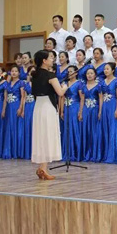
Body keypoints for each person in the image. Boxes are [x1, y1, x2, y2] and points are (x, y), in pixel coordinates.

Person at [31, 50, 68, 180]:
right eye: (51, 58)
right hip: (48, 107)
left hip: (38, 106)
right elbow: (60, 93)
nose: (53, 60)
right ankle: (43, 168)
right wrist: (65, 87)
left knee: (41, 136)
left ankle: (42, 167)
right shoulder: (51, 75)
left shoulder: (34, 75)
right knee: (47, 136)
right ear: (44, 61)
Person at [59, 65, 84, 162]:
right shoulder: (65, 83)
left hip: (75, 107)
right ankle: (67, 153)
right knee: (67, 130)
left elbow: (82, 98)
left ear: (76, 73)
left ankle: (76, 153)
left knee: (74, 129)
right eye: (68, 71)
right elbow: (62, 97)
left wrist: (80, 111)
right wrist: (61, 110)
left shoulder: (79, 83)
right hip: (66, 107)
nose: (69, 73)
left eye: (71, 71)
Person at [80, 66, 103, 162]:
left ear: (95, 75)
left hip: (94, 110)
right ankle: (85, 154)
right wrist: (80, 112)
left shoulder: (99, 86)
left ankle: (95, 153)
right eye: (87, 73)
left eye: (91, 73)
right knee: (86, 130)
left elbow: (101, 99)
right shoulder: (83, 86)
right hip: (86, 110)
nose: (89, 75)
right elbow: (82, 100)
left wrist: (100, 111)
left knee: (94, 131)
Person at [100, 63, 117, 164]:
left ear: (113, 70)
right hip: (105, 106)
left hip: (113, 105)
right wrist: (100, 110)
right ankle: (105, 153)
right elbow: (101, 97)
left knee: (113, 128)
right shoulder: (102, 82)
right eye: (104, 69)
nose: (105, 71)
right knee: (105, 128)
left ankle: (113, 154)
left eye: (107, 69)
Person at [2, 65, 23, 159]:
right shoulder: (7, 84)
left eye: (16, 71)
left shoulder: (21, 83)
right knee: (9, 127)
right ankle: (8, 151)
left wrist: (20, 108)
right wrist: (3, 109)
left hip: (16, 106)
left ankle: (16, 151)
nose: (14, 73)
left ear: (19, 73)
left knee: (16, 128)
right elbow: (5, 98)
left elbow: (23, 96)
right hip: (9, 107)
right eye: (12, 71)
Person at [21, 66, 36, 160]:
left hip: (35, 105)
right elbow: (23, 97)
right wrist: (23, 109)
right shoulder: (26, 84)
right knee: (27, 127)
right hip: (27, 106)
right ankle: (28, 151)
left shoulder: (38, 83)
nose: (32, 73)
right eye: (30, 72)